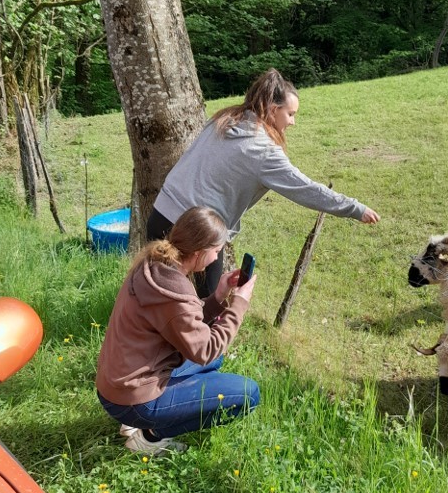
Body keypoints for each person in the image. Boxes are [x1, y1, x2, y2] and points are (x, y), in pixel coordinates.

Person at [147, 68, 380, 296]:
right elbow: (306, 189)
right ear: (272, 110)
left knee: (159, 299)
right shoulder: (262, 150)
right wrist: (355, 209)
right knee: (205, 308)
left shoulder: (224, 119)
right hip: (197, 233)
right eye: (290, 114)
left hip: (160, 215)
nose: (293, 122)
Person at [96, 206, 259, 455]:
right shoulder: (176, 291)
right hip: (132, 398)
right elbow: (205, 350)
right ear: (199, 252)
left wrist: (218, 296)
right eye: (216, 251)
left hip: (116, 383)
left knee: (218, 359)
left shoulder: (154, 264)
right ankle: (150, 436)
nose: (217, 258)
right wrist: (239, 303)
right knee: (249, 394)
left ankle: (141, 418)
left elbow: (180, 321)